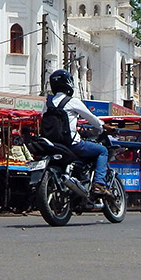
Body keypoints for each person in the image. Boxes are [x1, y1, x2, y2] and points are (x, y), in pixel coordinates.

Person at [43, 69, 109, 197]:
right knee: (102, 151)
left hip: (52, 144)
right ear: (69, 83)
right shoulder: (72, 101)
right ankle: (99, 184)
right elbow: (92, 118)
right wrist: (102, 127)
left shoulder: (48, 104)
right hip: (72, 144)